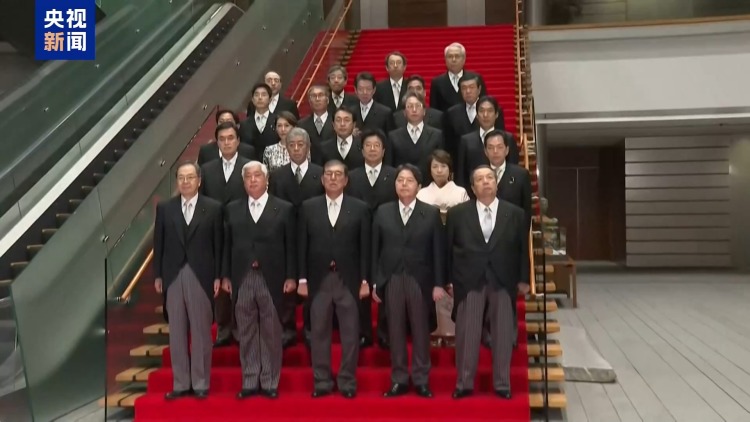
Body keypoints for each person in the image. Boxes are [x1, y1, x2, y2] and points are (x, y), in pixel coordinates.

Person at [446, 166, 529, 400]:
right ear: (472, 188)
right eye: (480, 179)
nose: (485, 182)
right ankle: (464, 382)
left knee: (503, 333)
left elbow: (522, 249)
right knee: (467, 334)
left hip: (503, 278)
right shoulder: (457, 214)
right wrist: (447, 279)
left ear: (496, 183)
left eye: (490, 178)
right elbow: (447, 249)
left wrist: (523, 278)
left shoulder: (514, 213)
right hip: (468, 279)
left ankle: (502, 383)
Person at [222, 161, 296, 399]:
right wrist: (225, 275)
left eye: (257, 176)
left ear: (267, 180)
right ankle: (250, 379)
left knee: (271, 331)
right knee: (245, 330)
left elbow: (291, 244)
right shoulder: (232, 209)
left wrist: (292, 276)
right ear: (243, 182)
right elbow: (226, 245)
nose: (253, 180)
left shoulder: (283, 208)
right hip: (242, 276)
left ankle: (269, 381)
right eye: (248, 177)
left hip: (272, 277)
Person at [297, 160, 371, 399]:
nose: (333, 178)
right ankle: (322, 381)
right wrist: (302, 279)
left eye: (338, 174)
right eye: (328, 174)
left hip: (348, 280)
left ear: (346, 180)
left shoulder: (360, 208)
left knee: (350, 334)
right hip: (318, 279)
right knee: (318, 333)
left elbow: (366, 247)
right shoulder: (308, 207)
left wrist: (365, 280)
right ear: (322, 179)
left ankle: (347, 381)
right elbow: (302, 246)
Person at [371, 164, 446, 398]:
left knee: (421, 331)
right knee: (395, 331)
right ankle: (399, 379)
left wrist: (439, 283)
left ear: (419, 186)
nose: (404, 184)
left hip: (420, 279)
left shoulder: (430, 213)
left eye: (409, 180)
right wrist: (375, 282)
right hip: (392, 277)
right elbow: (375, 249)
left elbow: (438, 251)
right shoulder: (383, 211)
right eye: (400, 180)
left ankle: (422, 379)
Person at [153, 162, 223, 400]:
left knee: (201, 331)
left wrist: (218, 276)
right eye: (181, 178)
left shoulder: (213, 208)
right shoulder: (165, 208)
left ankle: (201, 382)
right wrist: (158, 275)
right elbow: (159, 243)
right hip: (173, 274)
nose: (185, 182)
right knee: (177, 332)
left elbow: (218, 245)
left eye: (190, 177)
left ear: (199, 181)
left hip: (201, 274)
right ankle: (181, 383)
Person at [268, 127, 325, 348]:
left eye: (301, 145)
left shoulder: (320, 174)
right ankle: (288, 328)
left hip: (314, 236)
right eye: (292, 145)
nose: (296, 149)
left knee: (312, 281)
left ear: (308, 148)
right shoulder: (277, 176)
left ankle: (311, 328)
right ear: (287, 148)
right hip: (285, 236)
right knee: (288, 281)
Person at [198, 121, 250, 347]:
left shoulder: (249, 167)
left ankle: (240, 326)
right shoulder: (206, 169)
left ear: (238, 141)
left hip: (242, 232)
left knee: (240, 279)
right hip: (215, 233)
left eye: (231, 138)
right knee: (218, 280)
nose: (227, 142)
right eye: (222, 139)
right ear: (217, 142)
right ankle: (223, 327)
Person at [345, 129, 397, 348]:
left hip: (388, 236)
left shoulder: (394, 175)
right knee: (361, 282)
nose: (373, 149)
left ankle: (385, 331)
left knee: (386, 283)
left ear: (384, 150)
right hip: (358, 237)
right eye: (368, 145)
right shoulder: (352, 176)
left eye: (377, 146)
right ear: (362, 150)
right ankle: (363, 331)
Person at [415, 150, 469, 339]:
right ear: (429, 170)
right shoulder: (422, 193)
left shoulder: (460, 192)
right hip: (429, 244)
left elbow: (465, 220)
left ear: (450, 169)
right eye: (435, 166)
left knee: (453, 283)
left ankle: (453, 330)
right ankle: (434, 329)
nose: (439, 170)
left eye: (443, 166)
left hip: (454, 243)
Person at [429, 42, 487, 112]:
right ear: (445, 59)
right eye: (450, 56)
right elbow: (434, 110)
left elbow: (484, 103)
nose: (453, 59)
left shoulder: (476, 78)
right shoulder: (437, 82)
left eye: (457, 56)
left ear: (464, 59)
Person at [239, 82, 279, 159]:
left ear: (270, 99)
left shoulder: (277, 121)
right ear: (252, 100)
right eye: (256, 95)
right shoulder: (244, 124)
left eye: (263, 95)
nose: (260, 98)